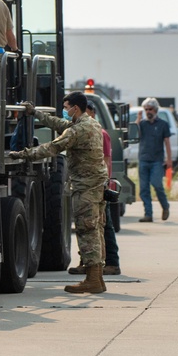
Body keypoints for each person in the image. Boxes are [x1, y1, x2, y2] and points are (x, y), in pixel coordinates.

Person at [9, 92, 109, 293]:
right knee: (95, 230)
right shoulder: (90, 124)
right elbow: (58, 124)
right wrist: (36, 112)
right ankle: (96, 277)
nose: (65, 111)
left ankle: (93, 280)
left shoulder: (78, 130)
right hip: (95, 185)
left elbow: (52, 148)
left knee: (86, 230)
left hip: (86, 188)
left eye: (66, 107)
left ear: (76, 108)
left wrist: (23, 154)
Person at [70, 104, 121, 275]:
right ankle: (87, 262)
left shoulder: (100, 133)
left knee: (103, 226)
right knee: (88, 227)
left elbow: (105, 161)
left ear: (91, 112)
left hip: (98, 187)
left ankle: (112, 263)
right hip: (91, 186)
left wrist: (103, 184)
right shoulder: (85, 130)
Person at [136, 97, 172, 223]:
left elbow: (167, 142)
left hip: (157, 160)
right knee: (144, 189)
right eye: (146, 109)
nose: (148, 111)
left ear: (155, 109)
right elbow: (135, 134)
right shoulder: (142, 124)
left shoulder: (163, 124)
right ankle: (148, 214)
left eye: (150, 109)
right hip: (143, 160)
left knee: (157, 184)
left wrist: (169, 159)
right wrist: (138, 119)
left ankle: (165, 206)